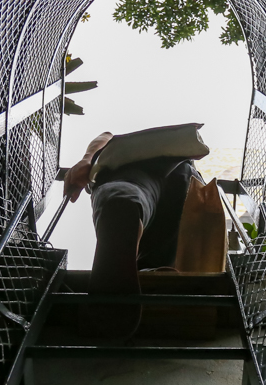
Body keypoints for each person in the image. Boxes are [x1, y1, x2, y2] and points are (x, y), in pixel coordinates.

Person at [63, 131, 201, 337]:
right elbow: (106, 136)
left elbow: (105, 136)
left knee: (128, 192)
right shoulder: (172, 144)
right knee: (173, 234)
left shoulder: (123, 146)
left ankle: (123, 200)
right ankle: (151, 268)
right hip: (184, 174)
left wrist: (87, 160)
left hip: (129, 169)